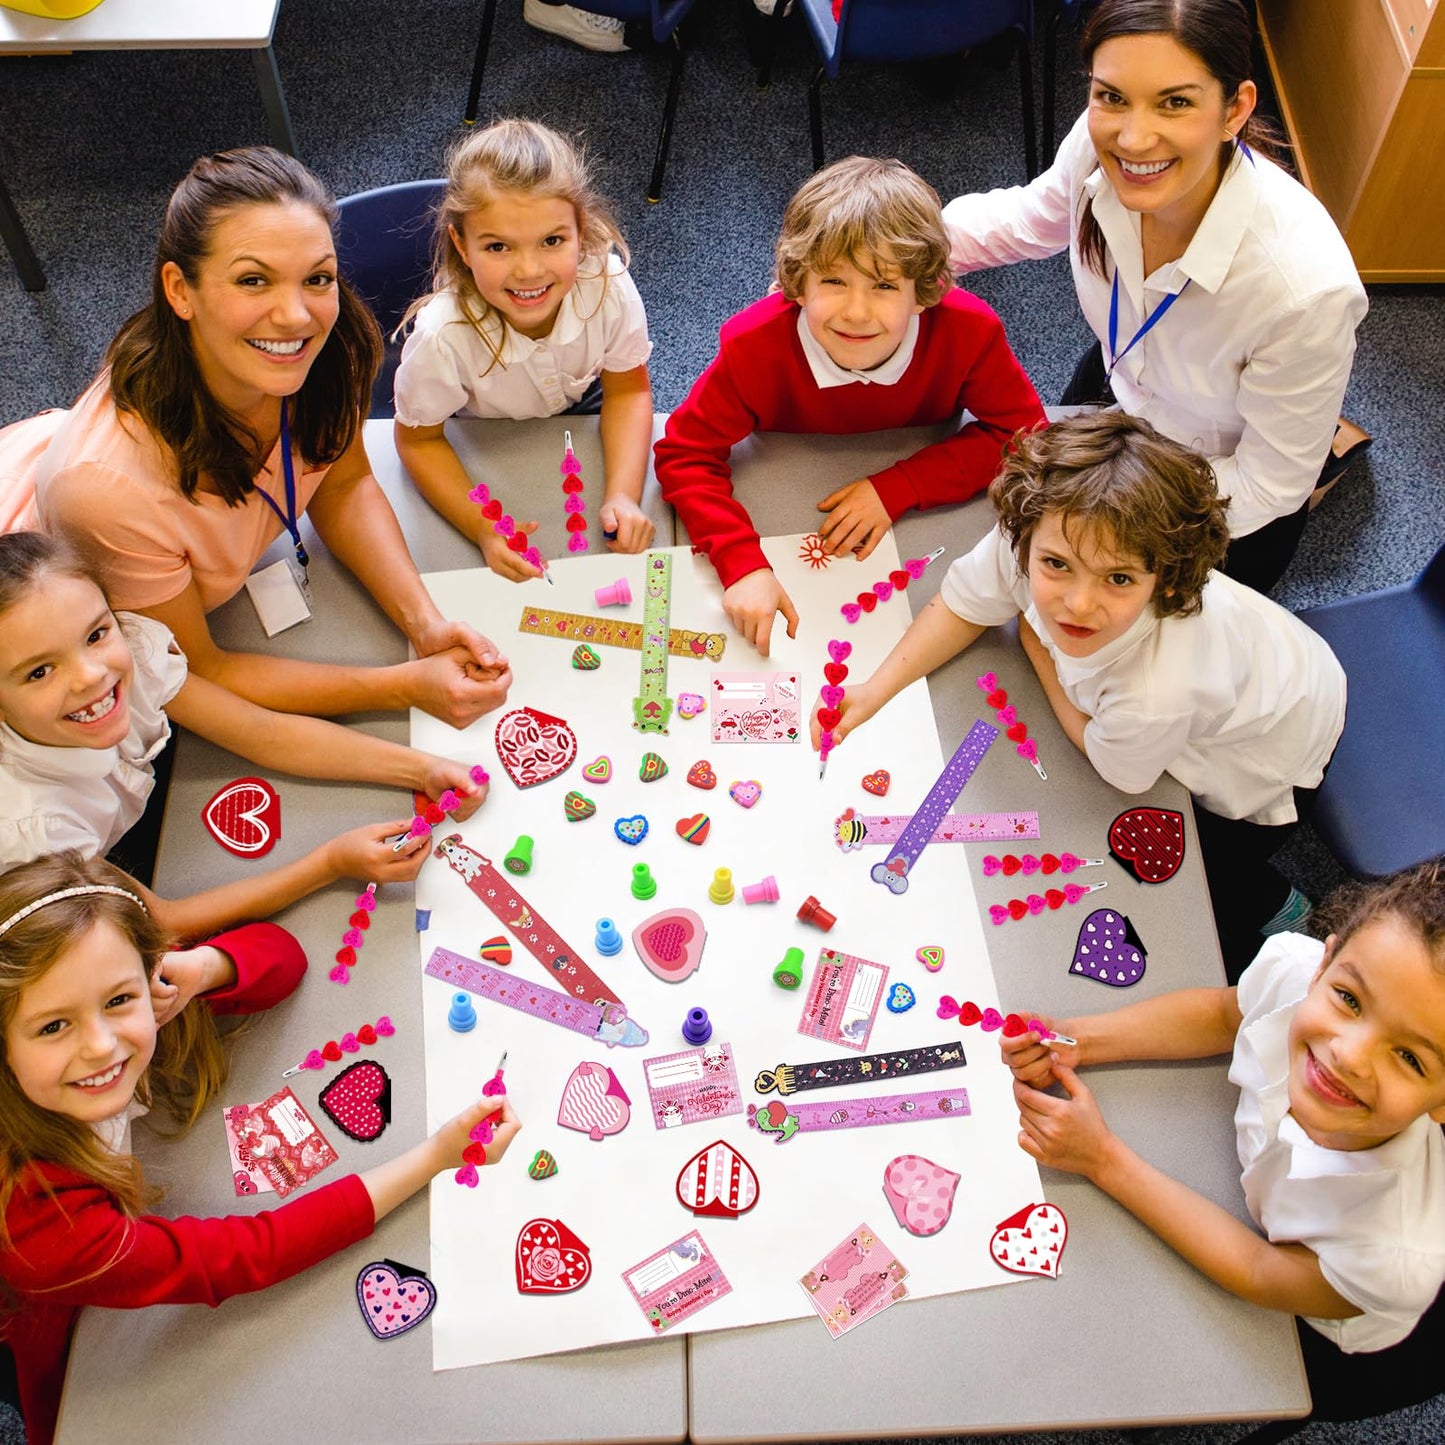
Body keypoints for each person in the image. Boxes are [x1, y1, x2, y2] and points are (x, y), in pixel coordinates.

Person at [0, 852, 521, 1445]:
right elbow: (245, 1255)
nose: (99, 1045)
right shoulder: (38, 1219)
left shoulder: (129, 1012)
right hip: (74, 1358)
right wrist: (435, 1156)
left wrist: (201, 969)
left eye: (118, 1000)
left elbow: (283, 958)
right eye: (52, 1026)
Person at [0, 146, 510, 727]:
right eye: (252, 280)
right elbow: (201, 671)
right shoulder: (107, 492)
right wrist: (402, 686)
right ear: (179, 290)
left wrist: (426, 624)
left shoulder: (326, 347)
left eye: (317, 278)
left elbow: (342, 488)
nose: (296, 316)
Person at [823, 413, 1345, 977]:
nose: (1076, 603)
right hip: (1274, 668)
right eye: (1055, 567)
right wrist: (874, 692)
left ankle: (1277, 906)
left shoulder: (1157, 689)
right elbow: (963, 604)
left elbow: (1119, 769)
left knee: (1212, 869)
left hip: (1273, 751)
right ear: (1026, 537)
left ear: (1166, 579)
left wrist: (1039, 651)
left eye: (1118, 579)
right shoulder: (1042, 533)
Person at [943, 0, 1369, 596]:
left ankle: (1325, 445)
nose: (1134, 138)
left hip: (1213, 492)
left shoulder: (1303, 291)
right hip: (1120, 380)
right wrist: (888, 250)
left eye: (1176, 102)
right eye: (1111, 96)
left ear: (1235, 109)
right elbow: (1033, 217)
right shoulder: (1100, 144)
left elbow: (1267, 485)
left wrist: (1114, 519)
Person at [1003, 859, 1445, 1422]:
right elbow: (1218, 1015)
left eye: (1409, 1057)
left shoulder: (1394, 1256)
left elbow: (1260, 1270)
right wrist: (1079, 1040)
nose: (1349, 1054)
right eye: (1349, 1000)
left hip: (1320, 1319)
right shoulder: (1294, 971)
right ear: (1323, 963)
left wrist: (1102, 1159)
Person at [0, 532, 486, 945]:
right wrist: (330, 864)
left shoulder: (132, 653)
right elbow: (160, 922)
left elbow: (265, 733)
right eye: (39, 671)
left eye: (95, 634)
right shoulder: (29, 829)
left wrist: (422, 768)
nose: (90, 676)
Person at [653, 155, 1045, 656]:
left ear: (926, 292)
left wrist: (900, 486)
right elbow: (684, 454)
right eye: (834, 282)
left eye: (884, 286)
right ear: (799, 284)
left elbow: (1024, 438)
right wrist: (742, 563)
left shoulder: (971, 332)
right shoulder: (753, 346)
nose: (857, 312)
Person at [394, 119, 655, 580]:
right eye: (498, 246)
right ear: (462, 244)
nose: (530, 271)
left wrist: (622, 495)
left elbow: (628, 393)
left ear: (582, 230)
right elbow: (418, 441)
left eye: (552, 241)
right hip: (484, 436)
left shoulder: (608, 285)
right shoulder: (442, 337)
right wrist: (484, 528)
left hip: (585, 412)